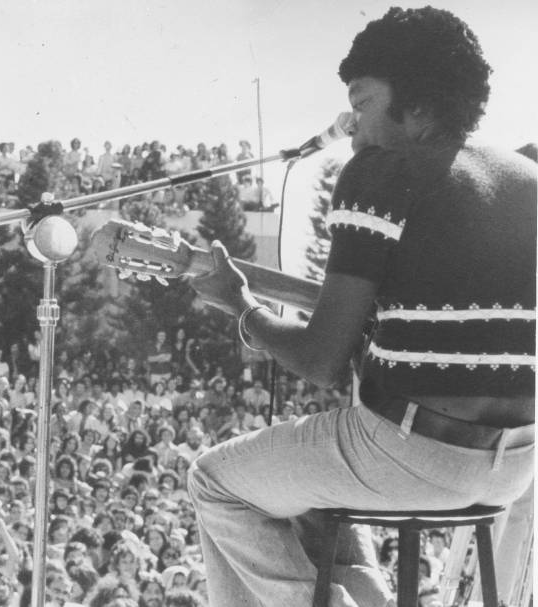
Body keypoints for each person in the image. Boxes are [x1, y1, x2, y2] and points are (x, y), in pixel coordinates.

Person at [187, 7, 535, 607]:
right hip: (516, 466)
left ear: (419, 105)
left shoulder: (381, 173)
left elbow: (321, 360)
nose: (352, 125)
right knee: (303, 493)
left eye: (365, 102)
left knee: (215, 482)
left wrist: (240, 306)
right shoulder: (524, 177)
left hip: (413, 454)